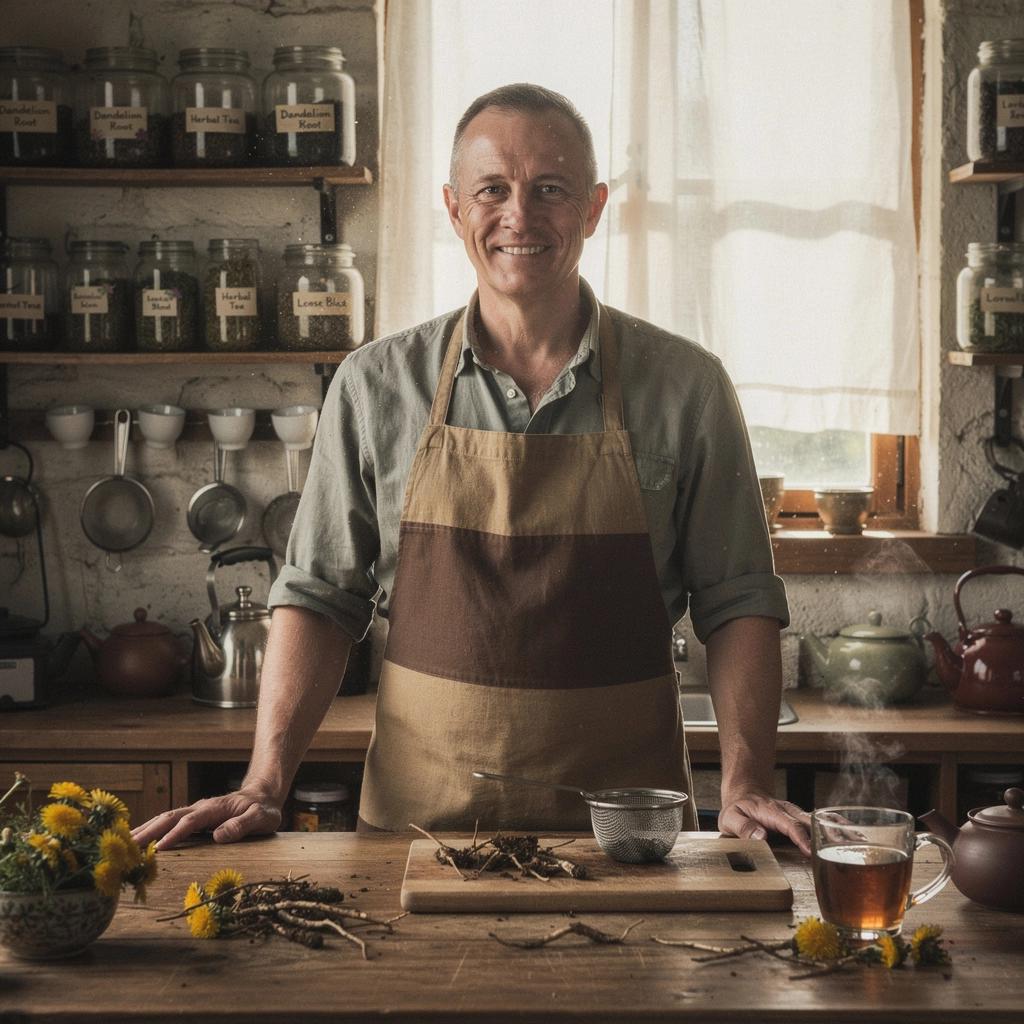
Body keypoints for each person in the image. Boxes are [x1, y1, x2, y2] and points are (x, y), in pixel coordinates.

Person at [134, 84, 811, 854]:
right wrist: (264, 782)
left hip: (629, 838)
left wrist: (747, 781)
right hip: (418, 837)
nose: (519, 215)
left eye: (549, 189)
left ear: (592, 208)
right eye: (493, 189)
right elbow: (320, 600)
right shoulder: (374, 385)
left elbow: (739, 600)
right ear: (455, 210)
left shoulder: (688, 387)